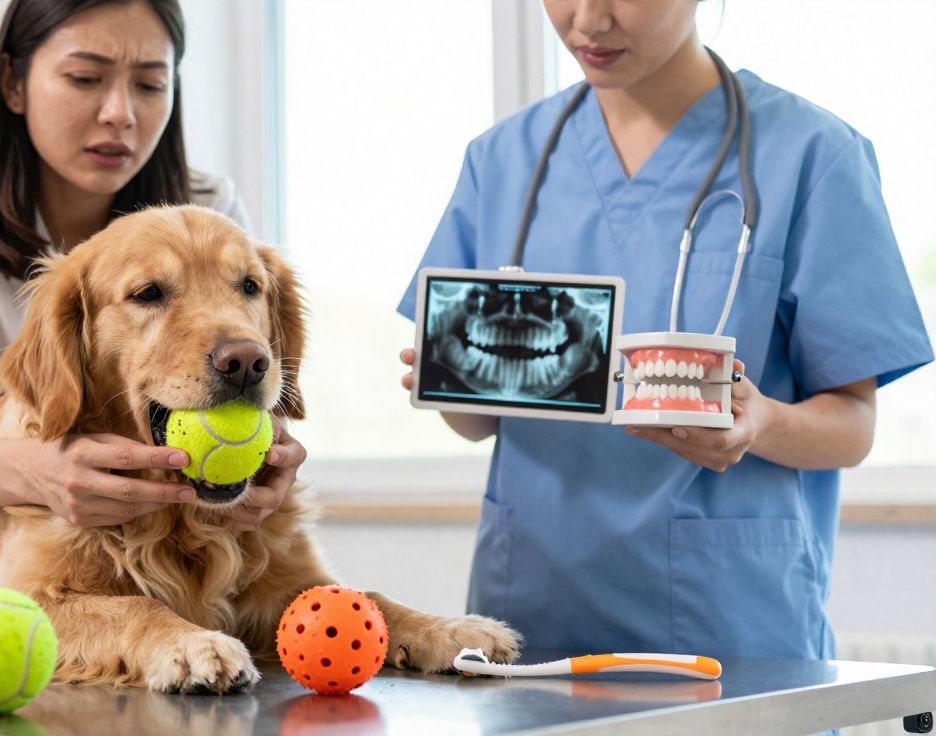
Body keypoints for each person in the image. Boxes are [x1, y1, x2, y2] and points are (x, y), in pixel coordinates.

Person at [398, 0, 932, 659]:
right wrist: (446, 381)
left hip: (728, 631)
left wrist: (759, 422)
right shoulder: (504, 159)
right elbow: (477, 423)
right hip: (532, 621)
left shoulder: (813, 155)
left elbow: (854, 424)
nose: (589, 21)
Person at [0, 0, 305, 530]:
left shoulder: (211, 209)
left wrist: (274, 451)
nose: (121, 112)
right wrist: (39, 472)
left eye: (150, 85)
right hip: (15, 520)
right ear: (14, 84)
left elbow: (245, 369)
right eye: (85, 77)